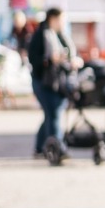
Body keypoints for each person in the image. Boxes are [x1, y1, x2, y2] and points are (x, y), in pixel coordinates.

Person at [28, 8, 78, 158]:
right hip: (43, 82)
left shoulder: (61, 36)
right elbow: (33, 60)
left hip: (59, 82)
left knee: (50, 115)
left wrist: (72, 61)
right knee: (54, 112)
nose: (63, 23)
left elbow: (69, 54)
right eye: (61, 19)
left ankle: (40, 148)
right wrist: (50, 60)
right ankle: (57, 149)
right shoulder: (40, 35)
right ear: (53, 19)